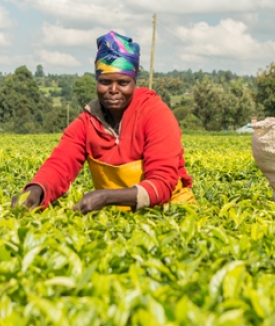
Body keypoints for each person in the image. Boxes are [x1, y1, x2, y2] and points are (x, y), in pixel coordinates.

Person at [11, 31, 194, 213]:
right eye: (105, 81)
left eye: (123, 83)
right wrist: (36, 191)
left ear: (134, 82)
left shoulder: (155, 114)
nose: (113, 90)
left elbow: (162, 183)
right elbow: (60, 165)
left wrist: (106, 197)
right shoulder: (88, 121)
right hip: (118, 218)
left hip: (170, 213)